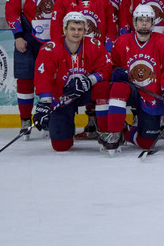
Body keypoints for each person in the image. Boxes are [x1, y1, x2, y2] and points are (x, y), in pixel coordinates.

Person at [4, 0, 72, 134]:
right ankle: (25, 120)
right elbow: (12, 9)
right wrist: (18, 35)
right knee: (25, 79)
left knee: (54, 79)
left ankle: (51, 118)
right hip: (28, 36)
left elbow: (69, 12)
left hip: (55, 39)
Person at [103, 4, 164, 153]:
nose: (144, 24)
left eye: (147, 20)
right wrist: (115, 73)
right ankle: (114, 134)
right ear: (134, 22)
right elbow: (112, 66)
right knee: (118, 87)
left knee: (147, 143)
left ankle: (126, 132)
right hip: (131, 90)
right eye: (140, 20)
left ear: (153, 23)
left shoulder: (163, 41)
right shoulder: (121, 41)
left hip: (151, 94)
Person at [32, 11, 111, 152]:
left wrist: (90, 80)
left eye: (80, 29)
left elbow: (106, 68)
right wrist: (45, 103)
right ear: (65, 29)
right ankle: (66, 125)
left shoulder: (94, 45)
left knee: (104, 87)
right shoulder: (50, 49)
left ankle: (106, 131)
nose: (76, 33)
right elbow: (43, 76)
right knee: (61, 146)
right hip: (62, 97)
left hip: (86, 91)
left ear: (85, 31)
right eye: (72, 29)